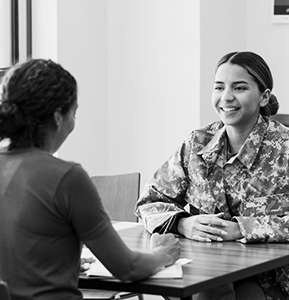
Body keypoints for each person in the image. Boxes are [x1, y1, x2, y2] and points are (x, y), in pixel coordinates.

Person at [0, 59, 181, 300]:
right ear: (57, 117)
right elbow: (128, 268)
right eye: (74, 112)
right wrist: (163, 253)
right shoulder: (66, 177)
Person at [134, 51, 289, 300]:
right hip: (205, 270)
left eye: (239, 87)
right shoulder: (196, 144)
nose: (226, 97)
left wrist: (242, 229)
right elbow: (149, 202)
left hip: (272, 279)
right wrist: (183, 223)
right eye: (219, 87)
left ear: (263, 96)